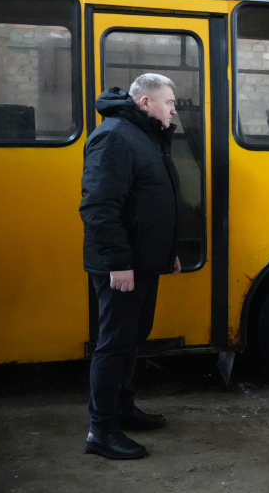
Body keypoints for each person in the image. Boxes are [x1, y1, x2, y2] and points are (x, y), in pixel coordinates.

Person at [79, 74, 182, 460]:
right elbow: (99, 205)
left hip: (143, 262)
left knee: (132, 338)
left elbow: (152, 200)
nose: (174, 110)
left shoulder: (145, 136)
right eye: (169, 102)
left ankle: (122, 408)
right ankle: (101, 431)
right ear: (145, 103)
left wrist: (167, 251)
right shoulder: (116, 137)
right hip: (122, 266)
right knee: (114, 345)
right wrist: (119, 262)